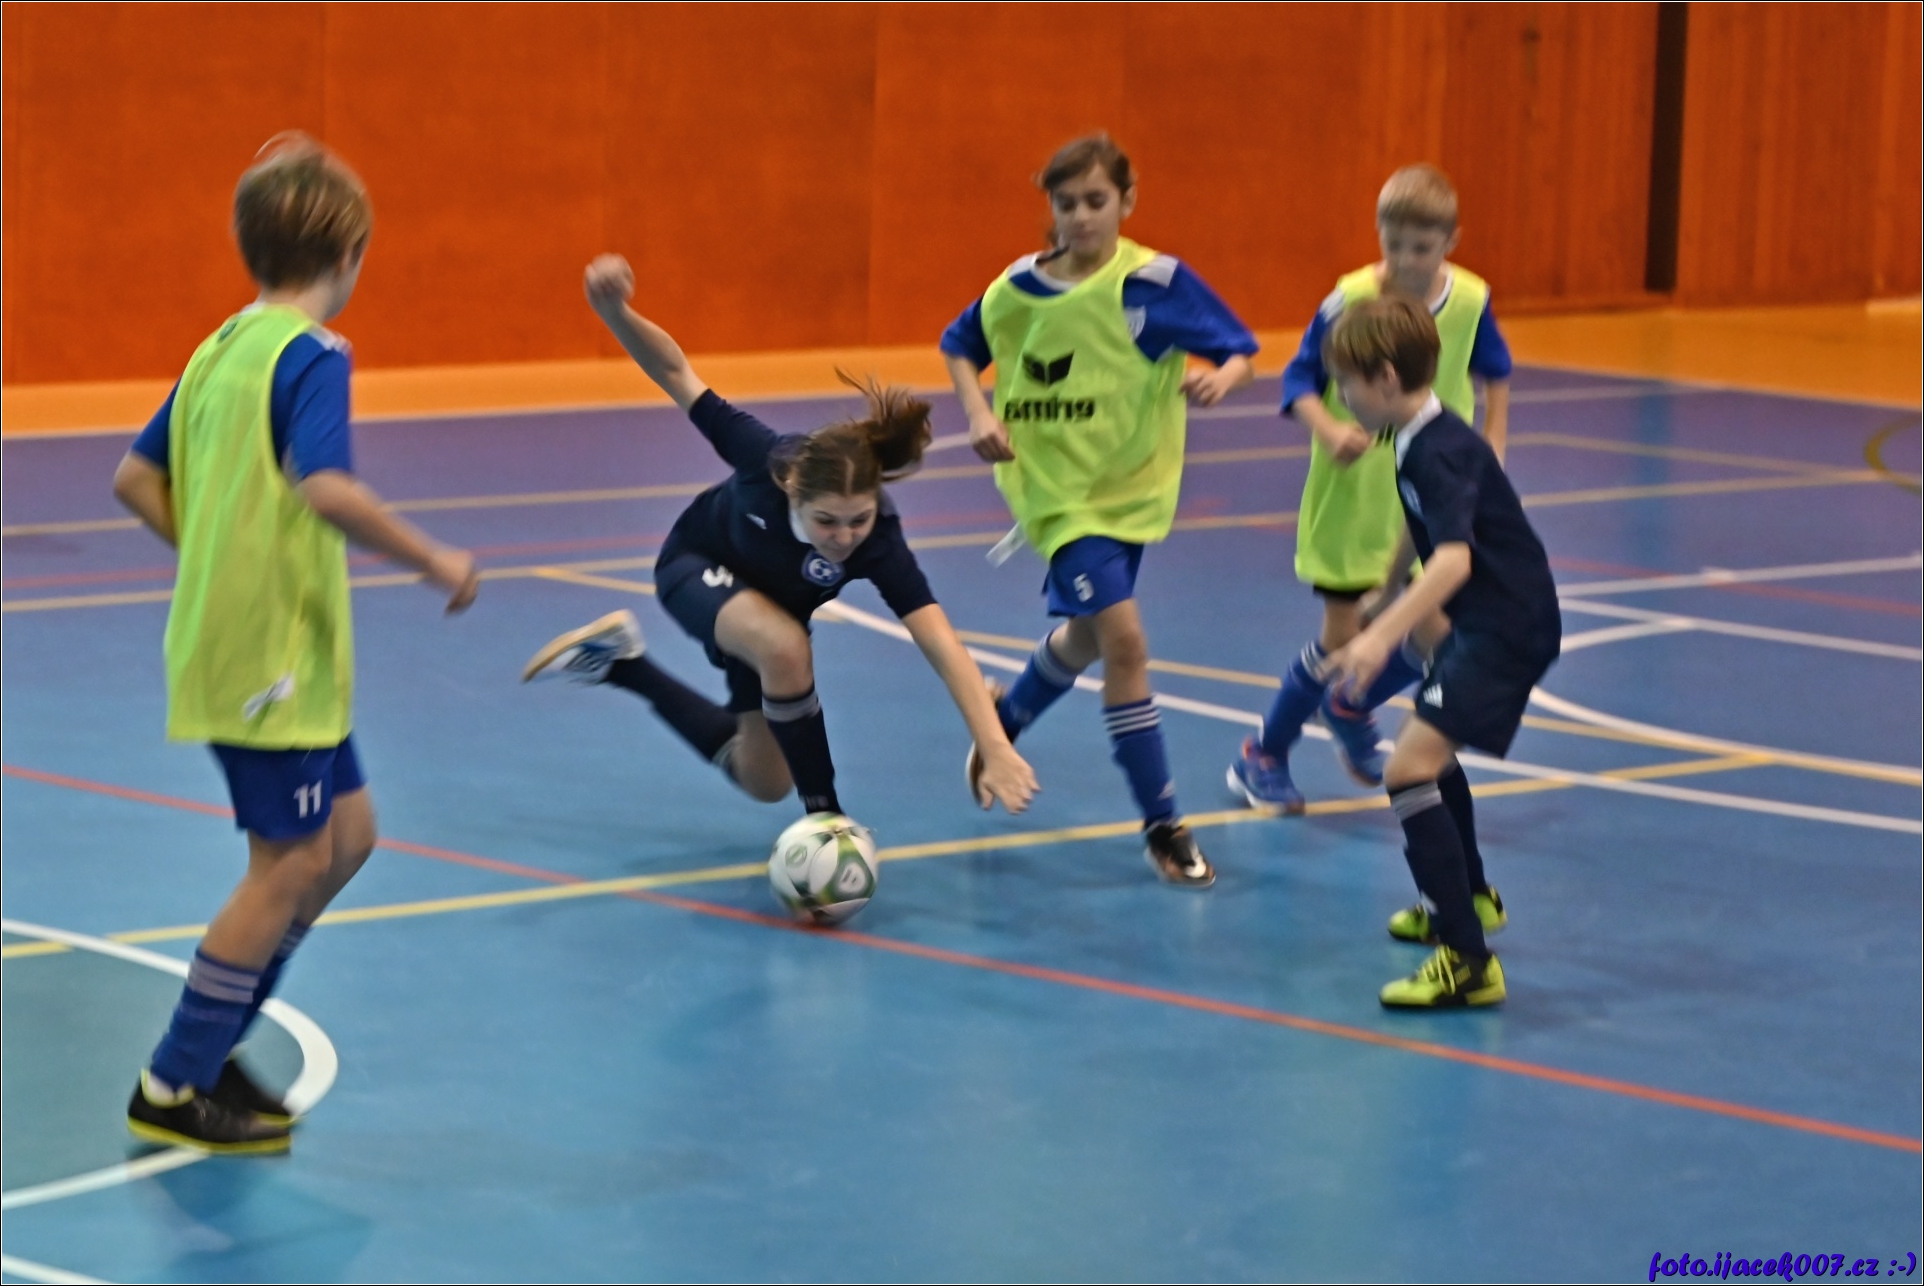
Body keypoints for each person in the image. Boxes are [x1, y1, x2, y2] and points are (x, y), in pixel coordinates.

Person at [112, 134, 480, 1151]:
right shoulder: (312, 354)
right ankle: (174, 1082)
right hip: (268, 659)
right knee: (286, 865)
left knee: (346, 840)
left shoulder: (219, 348)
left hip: (271, 654)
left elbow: (134, 479)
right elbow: (325, 484)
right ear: (350, 252)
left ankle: (215, 1039)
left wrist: (215, 556)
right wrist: (432, 558)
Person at [523, 254, 1037, 823]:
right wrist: (614, 312)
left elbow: (941, 643)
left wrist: (994, 746)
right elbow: (675, 372)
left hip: (767, 613)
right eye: (827, 521)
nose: (844, 537)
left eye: (859, 519)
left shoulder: (879, 542)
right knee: (786, 647)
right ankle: (828, 822)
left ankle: (623, 665)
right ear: (793, 490)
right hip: (694, 565)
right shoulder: (763, 457)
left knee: (763, 779)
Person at [939, 133, 1257, 888]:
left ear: (1127, 201)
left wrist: (1225, 378)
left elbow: (1241, 349)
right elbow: (959, 344)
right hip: (1057, 497)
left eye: (1096, 201)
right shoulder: (1017, 289)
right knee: (1125, 644)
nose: (1081, 216)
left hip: (1128, 491)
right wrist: (978, 411)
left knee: (1085, 637)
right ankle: (1163, 824)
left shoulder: (1152, 283)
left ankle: (1003, 720)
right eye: (1066, 203)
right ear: (1049, 208)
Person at [1230, 164, 1513, 812]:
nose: (1406, 260)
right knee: (1342, 636)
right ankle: (1263, 753)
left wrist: (1494, 439)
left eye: (1422, 247)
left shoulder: (1469, 300)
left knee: (1437, 631)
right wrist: (1330, 428)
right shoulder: (1350, 299)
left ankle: (1351, 703)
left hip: (1428, 493)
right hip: (1354, 497)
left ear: (1451, 241)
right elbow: (1297, 381)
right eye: (1394, 245)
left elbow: (1495, 371)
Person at [1316, 295, 1560, 1008]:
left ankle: (1469, 962)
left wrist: (1377, 637)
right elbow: (1418, 523)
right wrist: (1387, 589)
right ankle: (1468, 896)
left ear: (1386, 378)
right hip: (1489, 617)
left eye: (1348, 382)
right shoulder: (1416, 434)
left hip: (1503, 626)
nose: (1343, 396)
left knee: (1408, 768)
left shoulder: (1438, 449)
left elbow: (1453, 559)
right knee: (1428, 754)